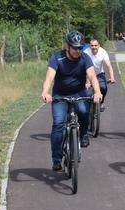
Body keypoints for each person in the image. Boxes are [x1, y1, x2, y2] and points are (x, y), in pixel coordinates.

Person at [41, 31, 102, 171]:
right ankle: (56, 159)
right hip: (60, 95)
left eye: (80, 47)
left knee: (83, 110)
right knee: (58, 124)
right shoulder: (57, 57)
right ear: (67, 46)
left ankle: (83, 133)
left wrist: (97, 92)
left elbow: (92, 76)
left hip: (79, 93)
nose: (77, 50)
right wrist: (45, 92)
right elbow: (49, 77)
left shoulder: (85, 58)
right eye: (75, 47)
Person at [84, 39, 115, 112]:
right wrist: (87, 81)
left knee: (103, 87)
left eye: (95, 45)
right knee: (86, 91)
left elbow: (109, 66)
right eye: (92, 45)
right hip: (87, 74)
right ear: (89, 46)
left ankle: (101, 102)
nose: (94, 47)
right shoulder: (85, 53)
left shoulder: (103, 52)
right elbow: (84, 67)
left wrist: (112, 77)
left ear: (99, 46)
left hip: (99, 73)